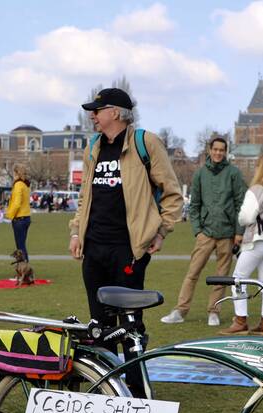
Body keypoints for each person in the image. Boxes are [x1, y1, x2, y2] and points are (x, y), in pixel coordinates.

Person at [69, 87, 183, 397]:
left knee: (131, 326)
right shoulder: (93, 146)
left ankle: (136, 389)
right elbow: (84, 198)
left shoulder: (145, 143)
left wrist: (161, 232)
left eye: (98, 109)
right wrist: (77, 231)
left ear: (116, 113)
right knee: (99, 324)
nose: (92, 115)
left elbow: (172, 194)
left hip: (128, 251)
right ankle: (108, 388)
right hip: (94, 248)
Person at [160, 136, 245, 326]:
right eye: (215, 149)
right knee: (192, 273)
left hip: (227, 234)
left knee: (222, 277)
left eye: (222, 150)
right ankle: (180, 311)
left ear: (226, 152)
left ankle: (213, 311)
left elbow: (241, 203)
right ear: (210, 150)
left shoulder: (234, 173)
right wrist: (197, 230)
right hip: (205, 233)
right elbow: (194, 205)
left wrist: (239, 232)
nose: (218, 153)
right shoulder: (200, 174)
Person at [218, 154, 263, 337]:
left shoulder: (256, 190)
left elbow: (246, 217)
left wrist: (242, 220)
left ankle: (240, 321)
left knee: (239, 278)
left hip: (257, 240)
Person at [5, 164, 32, 262]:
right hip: (26, 217)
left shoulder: (18, 185)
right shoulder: (26, 184)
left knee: (20, 246)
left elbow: (17, 203)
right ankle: (25, 265)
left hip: (19, 218)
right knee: (22, 245)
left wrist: (10, 215)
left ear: (16, 173)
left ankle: (23, 267)